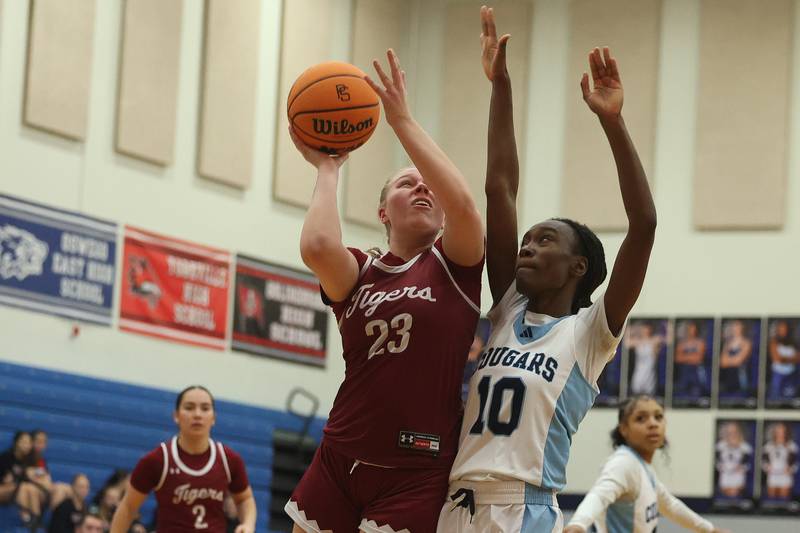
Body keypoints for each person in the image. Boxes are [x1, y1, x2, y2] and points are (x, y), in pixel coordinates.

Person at [437, 7, 656, 532]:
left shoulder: (589, 335)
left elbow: (644, 223)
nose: (527, 247)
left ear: (577, 266)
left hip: (525, 508)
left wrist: (612, 121)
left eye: (544, 241)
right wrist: (500, 85)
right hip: (455, 502)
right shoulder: (508, 306)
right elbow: (500, 188)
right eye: (526, 239)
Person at [283, 47, 485, 533]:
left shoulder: (454, 265)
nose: (423, 189)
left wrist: (401, 122)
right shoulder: (360, 271)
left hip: (415, 468)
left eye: (428, 185)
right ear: (382, 212)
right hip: (339, 455)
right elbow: (315, 245)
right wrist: (328, 168)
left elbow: (462, 204)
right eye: (406, 184)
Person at [564, 396, 729, 533]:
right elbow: (599, 496)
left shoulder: (641, 465)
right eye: (640, 418)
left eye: (658, 417)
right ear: (624, 429)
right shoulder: (624, 464)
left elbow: (670, 505)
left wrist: (710, 529)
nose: (653, 424)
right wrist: (578, 524)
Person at [110, 386, 256, 533]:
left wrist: (248, 524)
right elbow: (128, 507)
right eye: (189, 407)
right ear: (176, 416)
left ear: (213, 418)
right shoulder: (157, 460)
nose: (197, 414)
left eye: (205, 408)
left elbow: (244, 499)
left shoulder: (229, 460)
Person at [0, 431, 47, 526]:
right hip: (3, 489)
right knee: (24, 488)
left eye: (29, 443)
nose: (27, 445)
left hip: (18, 489)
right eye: (24, 442)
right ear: (17, 443)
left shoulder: (29, 460)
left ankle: (35, 519)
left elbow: (39, 473)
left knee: (29, 489)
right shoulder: (6, 457)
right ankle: (28, 518)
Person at [28, 429, 74, 509]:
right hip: (32, 490)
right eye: (38, 441)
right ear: (31, 442)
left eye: (43, 442)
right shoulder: (26, 457)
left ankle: (57, 517)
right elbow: (30, 475)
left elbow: (44, 475)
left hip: (44, 489)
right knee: (59, 489)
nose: (41, 444)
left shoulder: (41, 460)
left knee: (68, 489)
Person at [626, 321, 667, 396]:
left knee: (648, 397)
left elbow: (668, 340)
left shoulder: (654, 340)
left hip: (650, 374)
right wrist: (634, 329)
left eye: (647, 329)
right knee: (636, 395)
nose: (645, 331)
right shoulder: (637, 341)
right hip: (638, 373)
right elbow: (626, 343)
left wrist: (667, 326)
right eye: (643, 329)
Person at [714, 421, 751, 498]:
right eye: (729, 432)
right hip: (725, 477)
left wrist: (742, 468)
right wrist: (722, 467)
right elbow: (717, 462)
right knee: (726, 496)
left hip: (738, 478)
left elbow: (748, 464)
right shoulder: (720, 446)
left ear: (738, 432)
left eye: (734, 431)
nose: (732, 434)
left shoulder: (745, 447)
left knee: (735, 495)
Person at [762, 422, 798, 499]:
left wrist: (790, 469)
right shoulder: (768, 446)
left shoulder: (791, 446)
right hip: (772, 476)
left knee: (784, 498)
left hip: (785, 477)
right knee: (771, 499)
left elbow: (795, 462)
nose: (780, 433)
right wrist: (767, 467)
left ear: (785, 432)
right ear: (774, 432)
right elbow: (763, 461)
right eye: (778, 431)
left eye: (782, 431)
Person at [673, 321, 707, 398]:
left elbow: (699, 358)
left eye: (692, 329)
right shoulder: (681, 343)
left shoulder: (700, 342)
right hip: (684, 374)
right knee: (682, 395)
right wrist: (692, 356)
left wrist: (685, 356)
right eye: (689, 329)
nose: (691, 331)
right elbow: (678, 358)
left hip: (696, 374)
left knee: (696, 395)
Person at [719, 320, 753, 396]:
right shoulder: (728, 343)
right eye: (733, 326)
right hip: (728, 379)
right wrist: (733, 360)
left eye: (737, 326)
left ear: (742, 328)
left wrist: (729, 360)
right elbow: (722, 362)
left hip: (741, 379)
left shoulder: (746, 343)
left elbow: (739, 361)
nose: (735, 328)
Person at [768, 320, 799, 400]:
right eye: (781, 329)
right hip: (778, 376)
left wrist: (784, 359)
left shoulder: (793, 343)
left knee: (791, 398)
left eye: (785, 329)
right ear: (778, 330)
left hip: (792, 376)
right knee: (776, 398)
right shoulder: (774, 342)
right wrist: (792, 359)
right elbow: (777, 359)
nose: (784, 331)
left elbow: (798, 358)